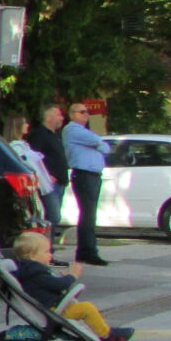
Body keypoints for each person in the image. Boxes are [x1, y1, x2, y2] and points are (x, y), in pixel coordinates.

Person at [9, 232, 133, 341]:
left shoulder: (28, 271)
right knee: (87, 308)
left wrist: (61, 277)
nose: (50, 255)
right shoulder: (36, 271)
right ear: (32, 256)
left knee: (83, 309)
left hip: (50, 309)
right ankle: (107, 335)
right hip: (53, 311)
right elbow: (58, 285)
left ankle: (101, 333)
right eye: (47, 252)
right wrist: (72, 276)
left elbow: (48, 284)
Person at [63, 101, 112, 268]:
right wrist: (98, 143)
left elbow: (105, 147)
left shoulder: (83, 131)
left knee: (89, 215)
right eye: (82, 112)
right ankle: (88, 251)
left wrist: (99, 144)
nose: (86, 115)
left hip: (92, 175)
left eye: (87, 112)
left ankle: (86, 250)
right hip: (84, 175)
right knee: (88, 214)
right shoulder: (73, 129)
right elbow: (98, 142)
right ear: (72, 114)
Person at [26, 102, 70, 248]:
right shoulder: (39, 134)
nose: (62, 118)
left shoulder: (55, 136)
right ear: (48, 116)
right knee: (51, 217)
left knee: (54, 219)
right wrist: (47, 175)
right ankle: (43, 249)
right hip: (48, 184)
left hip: (59, 183)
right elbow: (33, 158)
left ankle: (48, 251)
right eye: (58, 114)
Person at [1, 112, 56, 223]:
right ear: (16, 126)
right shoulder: (15, 147)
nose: (27, 125)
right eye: (24, 123)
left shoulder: (24, 146)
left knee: (50, 216)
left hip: (41, 184)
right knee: (51, 215)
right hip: (35, 186)